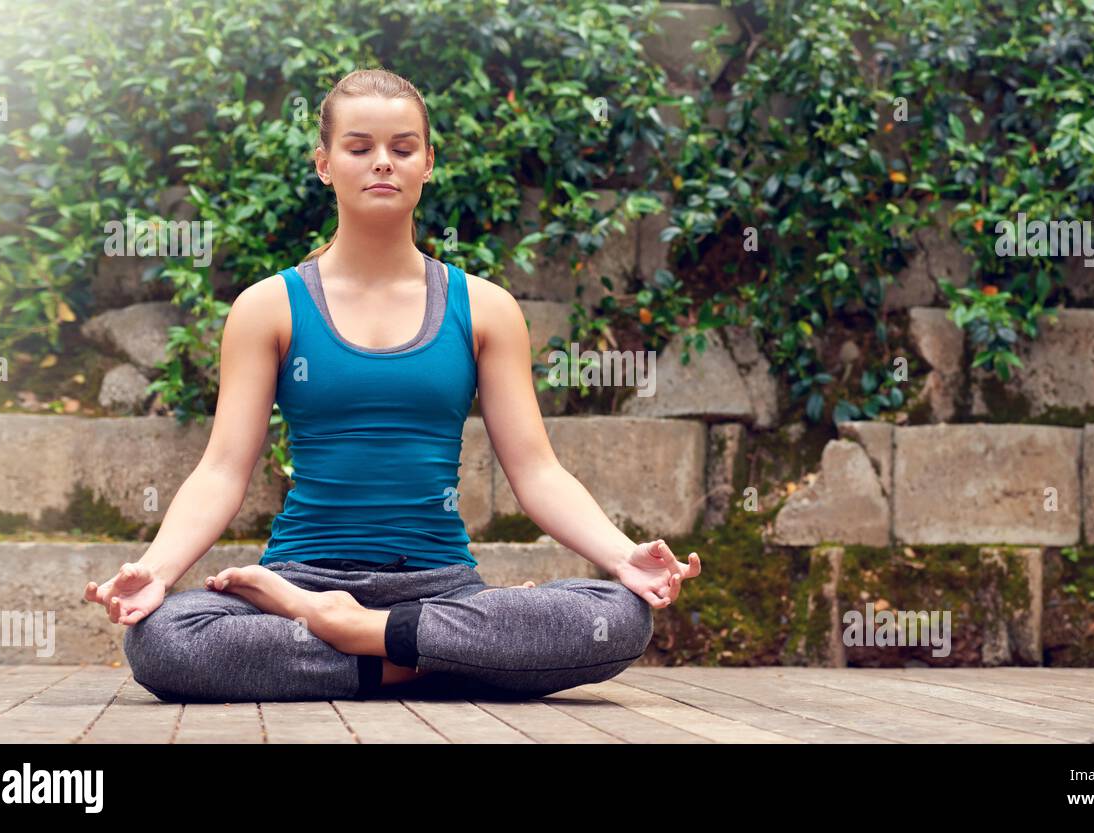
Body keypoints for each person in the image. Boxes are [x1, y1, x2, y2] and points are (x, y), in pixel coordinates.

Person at [82, 67, 702, 703]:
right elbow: (220, 470)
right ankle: (428, 657)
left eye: (402, 149)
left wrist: (623, 557)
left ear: (427, 163)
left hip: (438, 588)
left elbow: (537, 471)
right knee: (164, 639)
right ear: (324, 163)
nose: (382, 163)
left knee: (619, 618)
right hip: (299, 583)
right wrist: (155, 573)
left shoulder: (483, 308)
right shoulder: (269, 307)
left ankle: (361, 634)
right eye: (359, 148)